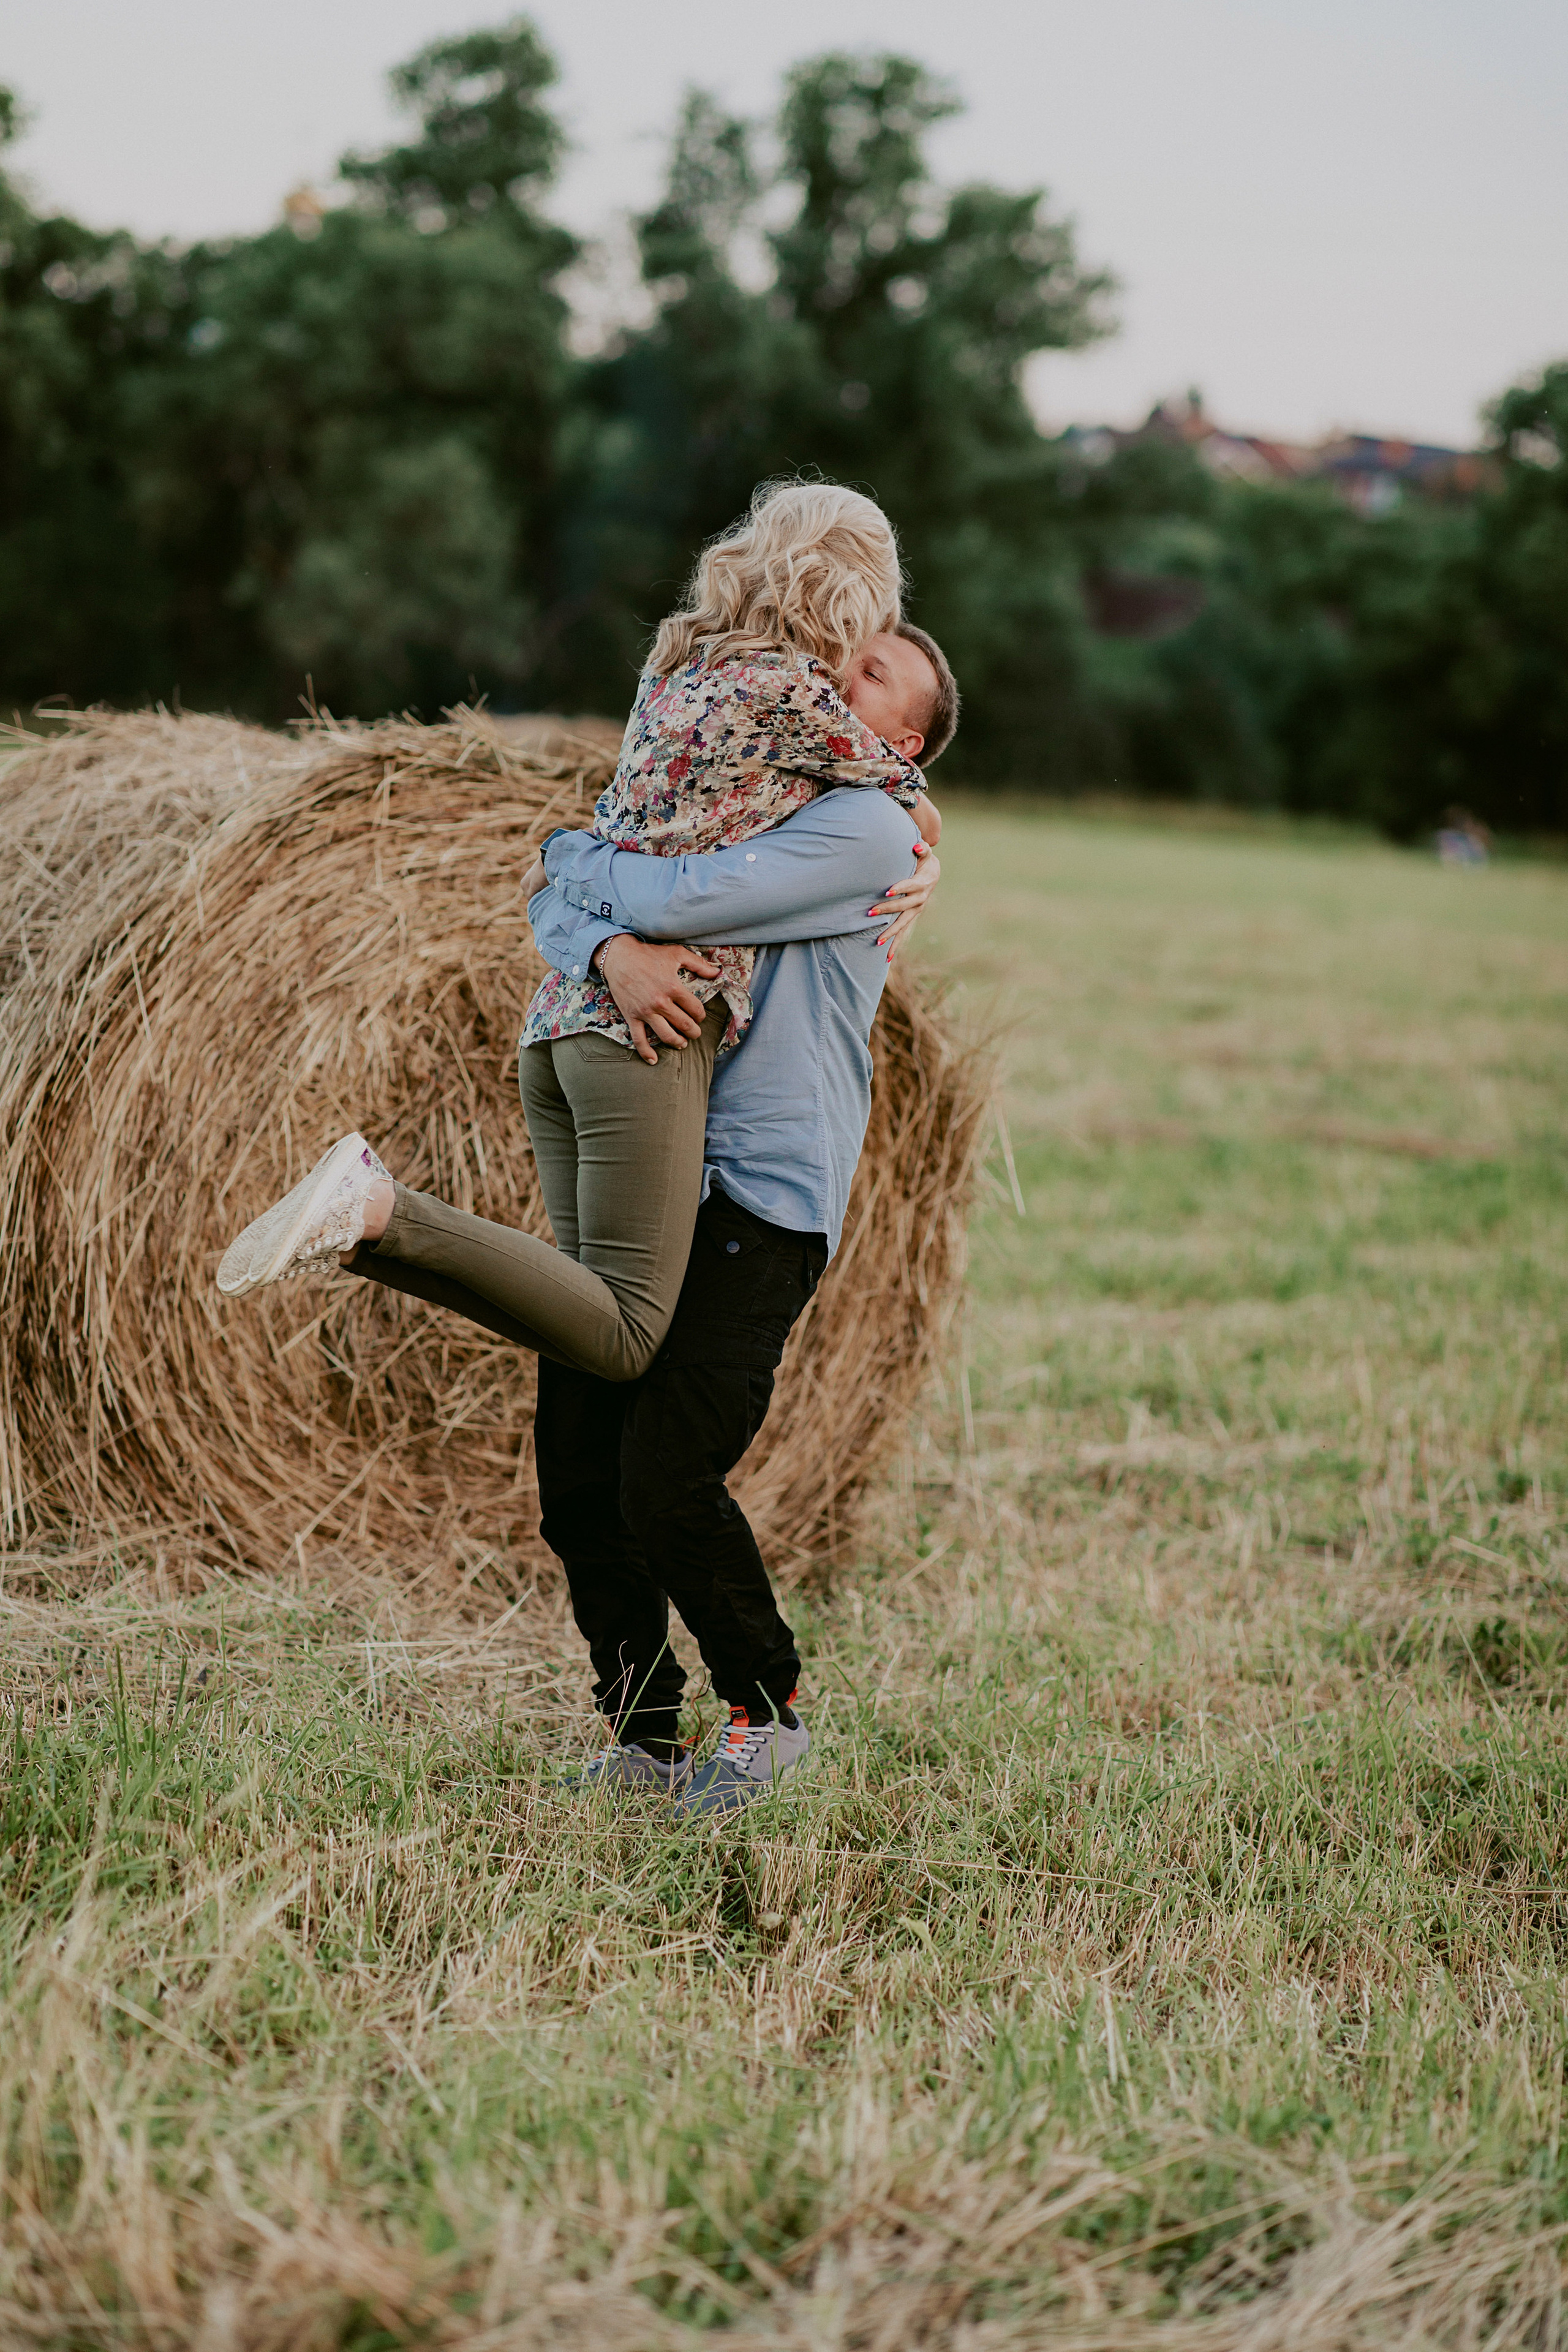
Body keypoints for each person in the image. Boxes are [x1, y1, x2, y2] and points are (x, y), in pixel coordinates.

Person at [216, 483, 940, 1389]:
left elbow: (593, 847)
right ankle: (378, 1207)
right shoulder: (797, 696)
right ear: (850, 596)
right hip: (649, 1035)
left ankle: (359, 1228)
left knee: (579, 1316)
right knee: (629, 1334)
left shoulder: (674, 662)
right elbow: (908, 794)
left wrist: (576, 890)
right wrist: (927, 850)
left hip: (560, 1019)